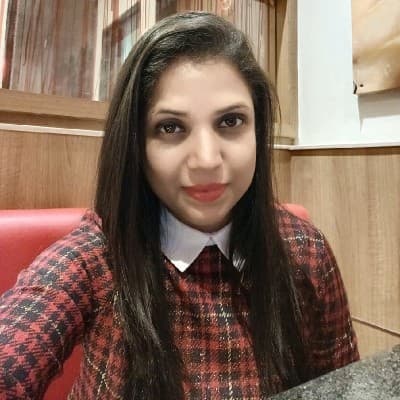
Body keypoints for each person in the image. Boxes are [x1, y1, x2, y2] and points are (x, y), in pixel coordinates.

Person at [0, 11, 359, 400]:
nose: (206, 160)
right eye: (170, 127)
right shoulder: (99, 256)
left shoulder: (305, 251)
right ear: (137, 144)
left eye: (230, 122)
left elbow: (343, 388)